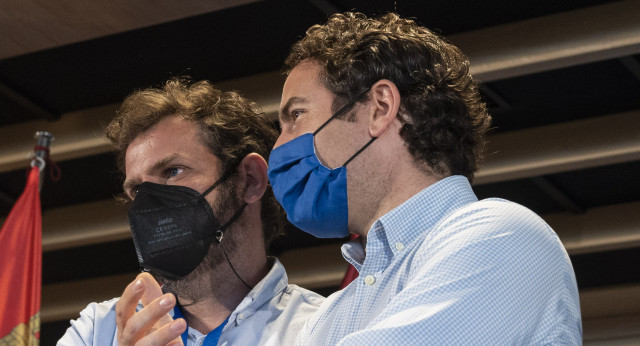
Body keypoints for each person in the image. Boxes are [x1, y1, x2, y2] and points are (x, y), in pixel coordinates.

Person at [267, 12, 582, 345]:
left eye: (296, 115)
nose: (279, 145)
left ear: (380, 108)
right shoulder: (331, 316)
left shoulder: (503, 236)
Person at [58, 79, 323, 345]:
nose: (150, 205)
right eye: (138, 190)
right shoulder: (97, 331)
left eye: (173, 172)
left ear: (250, 179)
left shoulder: (324, 329)